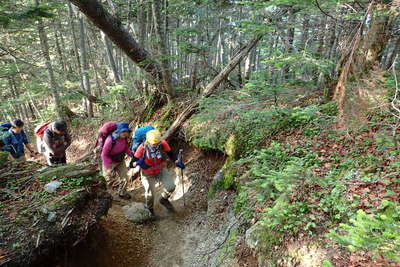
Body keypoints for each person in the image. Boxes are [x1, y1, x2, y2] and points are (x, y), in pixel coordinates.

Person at [133, 129, 185, 215]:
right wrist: (138, 163)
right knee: (150, 194)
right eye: (154, 143)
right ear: (148, 141)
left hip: (160, 169)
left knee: (171, 186)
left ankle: (163, 199)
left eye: (157, 142)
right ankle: (150, 210)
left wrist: (177, 161)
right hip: (147, 173)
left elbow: (171, 154)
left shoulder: (162, 143)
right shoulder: (142, 148)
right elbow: (132, 163)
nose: (156, 144)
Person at [101, 122, 134, 200]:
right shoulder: (110, 140)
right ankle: (105, 196)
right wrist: (108, 167)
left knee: (125, 178)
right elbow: (104, 155)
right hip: (109, 161)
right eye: (123, 131)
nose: (125, 134)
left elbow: (126, 148)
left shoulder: (124, 139)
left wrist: (132, 155)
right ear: (118, 131)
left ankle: (121, 193)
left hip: (120, 160)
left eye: (127, 132)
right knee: (107, 180)